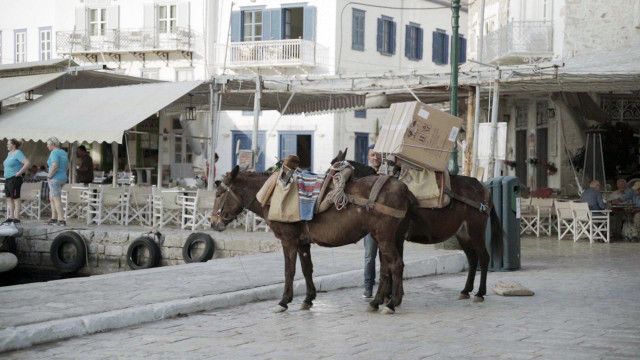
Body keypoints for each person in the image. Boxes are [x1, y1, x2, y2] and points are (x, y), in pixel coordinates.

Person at [362, 145, 382, 298]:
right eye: (372, 155)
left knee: (387, 256)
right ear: (368, 157)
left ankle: (385, 287)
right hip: (369, 223)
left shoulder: (387, 174)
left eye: (378, 155)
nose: (375, 157)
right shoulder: (363, 176)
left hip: (386, 223)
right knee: (369, 256)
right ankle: (368, 288)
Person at [2, 139, 30, 224]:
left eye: (8, 144)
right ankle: (11, 217)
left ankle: (16, 218)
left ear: (13, 145)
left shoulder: (18, 153)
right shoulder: (9, 153)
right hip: (7, 179)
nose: (7, 145)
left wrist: (19, 172)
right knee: (8, 198)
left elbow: (27, 163)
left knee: (16, 198)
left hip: (15, 178)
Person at [45, 137, 69, 226]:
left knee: (56, 198)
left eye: (48, 144)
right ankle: (54, 218)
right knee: (52, 198)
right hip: (63, 177)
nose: (47, 146)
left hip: (54, 178)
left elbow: (55, 165)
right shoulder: (63, 152)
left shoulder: (53, 152)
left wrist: (49, 175)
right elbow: (67, 166)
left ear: (53, 145)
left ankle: (61, 220)